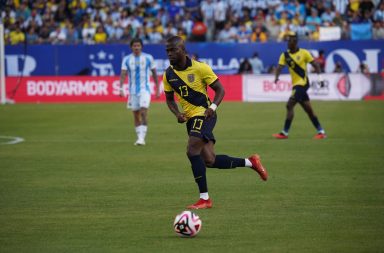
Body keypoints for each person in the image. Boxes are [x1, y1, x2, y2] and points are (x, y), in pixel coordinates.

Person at [163, 36, 268, 209]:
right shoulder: (168, 74)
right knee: (209, 160)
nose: (169, 54)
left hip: (205, 114)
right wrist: (177, 114)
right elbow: (169, 99)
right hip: (190, 119)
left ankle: (205, 199)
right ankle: (251, 162)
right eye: (167, 51)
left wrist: (212, 107)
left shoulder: (200, 68)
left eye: (172, 50)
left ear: (182, 50)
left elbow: (220, 89)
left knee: (191, 151)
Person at [272, 33, 326, 139]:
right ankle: (321, 132)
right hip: (296, 85)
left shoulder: (304, 53)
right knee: (309, 110)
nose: (288, 43)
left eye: (290, 41)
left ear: (295, 43)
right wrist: (276, 77)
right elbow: (279, 67)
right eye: (287, 41)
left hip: (303, 83)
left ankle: (284, 133)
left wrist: (320, 79)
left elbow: (316, 65)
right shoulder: (285, 55)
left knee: (289, 105)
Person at [119, 38, 160, 146]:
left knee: (143, 111)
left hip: (145, 90)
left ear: (141, 46)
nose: (136, 47)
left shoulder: (148, 58)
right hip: (132, 91)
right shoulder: (127, 59)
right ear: (131, 47)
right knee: (136, 115)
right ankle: (139, 137)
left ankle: (142, 138)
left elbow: (154, 73)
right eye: (134, 46)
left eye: (138, 45)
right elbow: (123, 74)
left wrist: (157, 88)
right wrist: (121, 88)